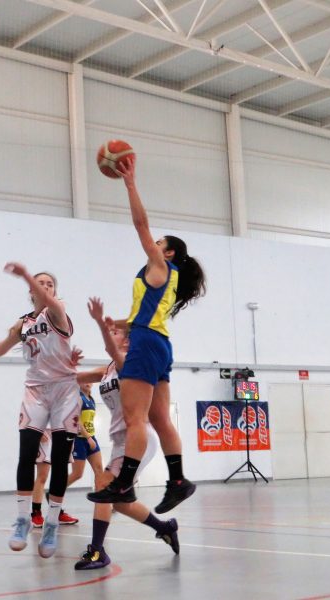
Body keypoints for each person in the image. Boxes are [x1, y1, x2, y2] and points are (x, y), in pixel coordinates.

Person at [87, 154, 206, 513]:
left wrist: (130, 184)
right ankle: (179, 480)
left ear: (167, 252)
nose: (152, 242)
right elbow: (147, 316)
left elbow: (140, 223)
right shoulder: (166, 277)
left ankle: (124, 484)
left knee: (135, 417)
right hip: (159, 343)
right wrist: (120, 323)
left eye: (158, 242)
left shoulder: (159, 264)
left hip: (147, 343)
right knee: (159, 418)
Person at [0, 263, 80, 559]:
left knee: (59, 461)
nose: (45, 287)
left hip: (64, 391)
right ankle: (23, 519)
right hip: (36, 391)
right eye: (40, 283)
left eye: (50, 283)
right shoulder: (23, 323)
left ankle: (52, 523)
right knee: (27, 454)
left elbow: (48, 300)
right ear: (30, 293)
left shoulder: (58, 311)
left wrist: (25, 275)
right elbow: (1, 347)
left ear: (54, 291)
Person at [74, 298, 179, 570]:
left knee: (103, 485)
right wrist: (66, 366)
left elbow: (114, 347)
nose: (111, 334)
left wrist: (101, 322)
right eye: (111, 331)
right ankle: (164, 527)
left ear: (128, 340)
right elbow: (76, 378)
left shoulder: (130, 363)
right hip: (121, 441)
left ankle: (98, 551)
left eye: (115, 332)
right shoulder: (108, 369)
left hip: (139, 438)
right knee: (120, 503)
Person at [31, 429, 79, 528]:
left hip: (63, 433)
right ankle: (36, 513)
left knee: (59, 475)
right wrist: (38, 431)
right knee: (42, 476)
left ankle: (57, 512)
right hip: (46, 432)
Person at [66, 383, 103, 490]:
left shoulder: (91, 400)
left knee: (99, 470)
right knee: (77, 474)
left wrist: (90, 437)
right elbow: (76, 420)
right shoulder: (78, 398)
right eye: (85, 381)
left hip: (91, 438)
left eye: (90, 381)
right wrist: (88, 438)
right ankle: (54, 492)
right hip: (79, 440)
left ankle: (99, 499)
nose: (88, 383)